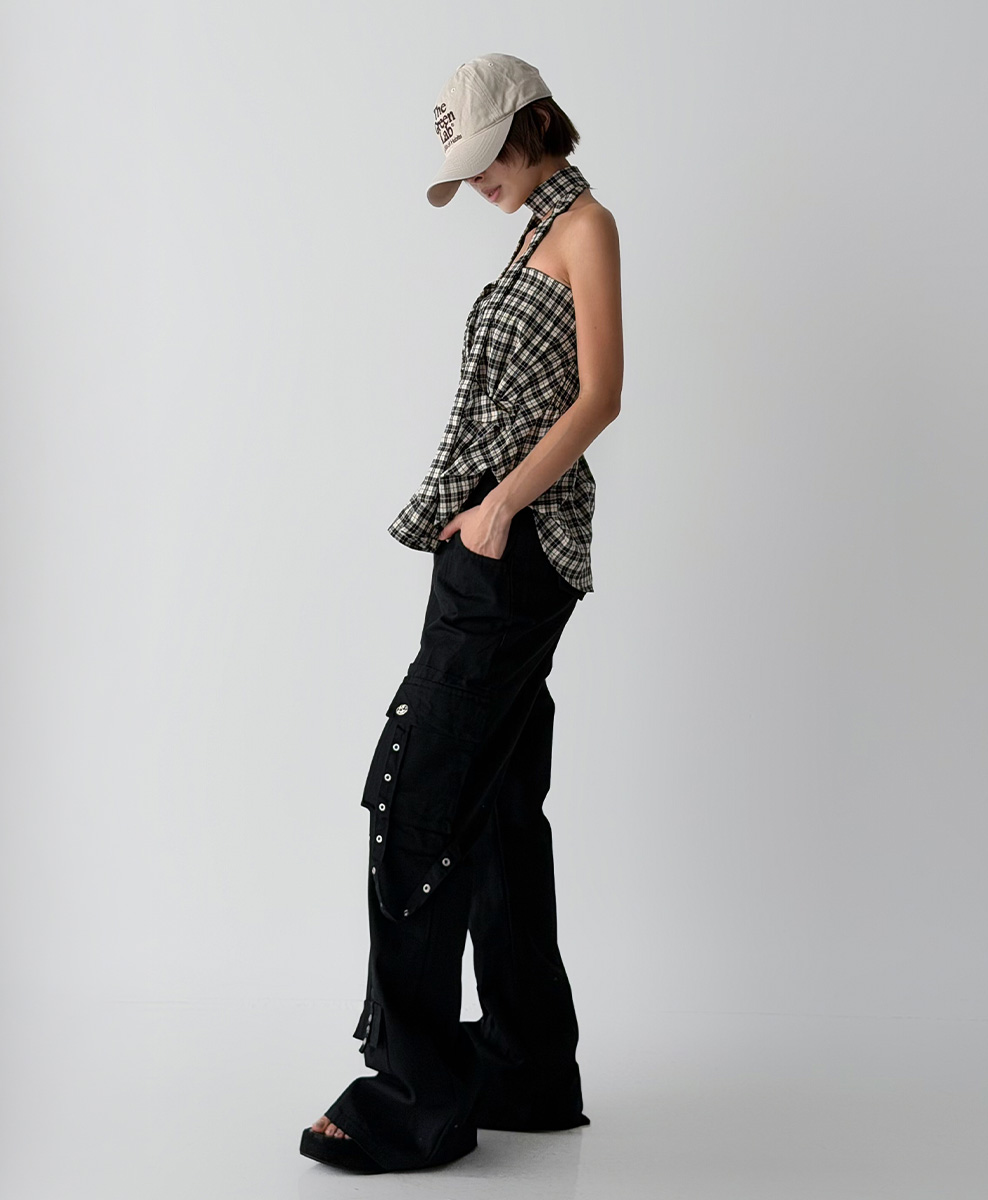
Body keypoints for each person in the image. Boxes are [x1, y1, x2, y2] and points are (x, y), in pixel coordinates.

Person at [299, 52, 623, 1175]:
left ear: (533, 126)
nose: (478, 180)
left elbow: (601, 395)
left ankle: (414, 1097)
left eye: (486, 157)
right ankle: (526, 1065)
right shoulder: (533, 233)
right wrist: (471, 514)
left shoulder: (585, 227)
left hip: (515, 548)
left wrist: (498, 507)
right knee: (492, 809)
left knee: (416, 801)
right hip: (485, 547)